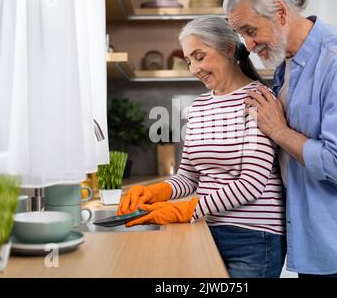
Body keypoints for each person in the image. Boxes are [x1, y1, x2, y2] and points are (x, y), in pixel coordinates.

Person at [223, 0, 337, 278]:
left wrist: (278, 130)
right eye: (241, 35)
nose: (247, 45)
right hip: (314, 233)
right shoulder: (286, 62)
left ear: (280, 12)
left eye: (250, 31)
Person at [117, 16, 286, 278]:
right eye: (188, 60)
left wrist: (185, 209)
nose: (194, 68)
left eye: (199, 56)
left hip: (254, 237)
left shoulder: (258, 100)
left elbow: (252, 184)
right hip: (207, 228)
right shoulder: (199, 107)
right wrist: (156, 192)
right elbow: (189, 176)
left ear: (229, 49)